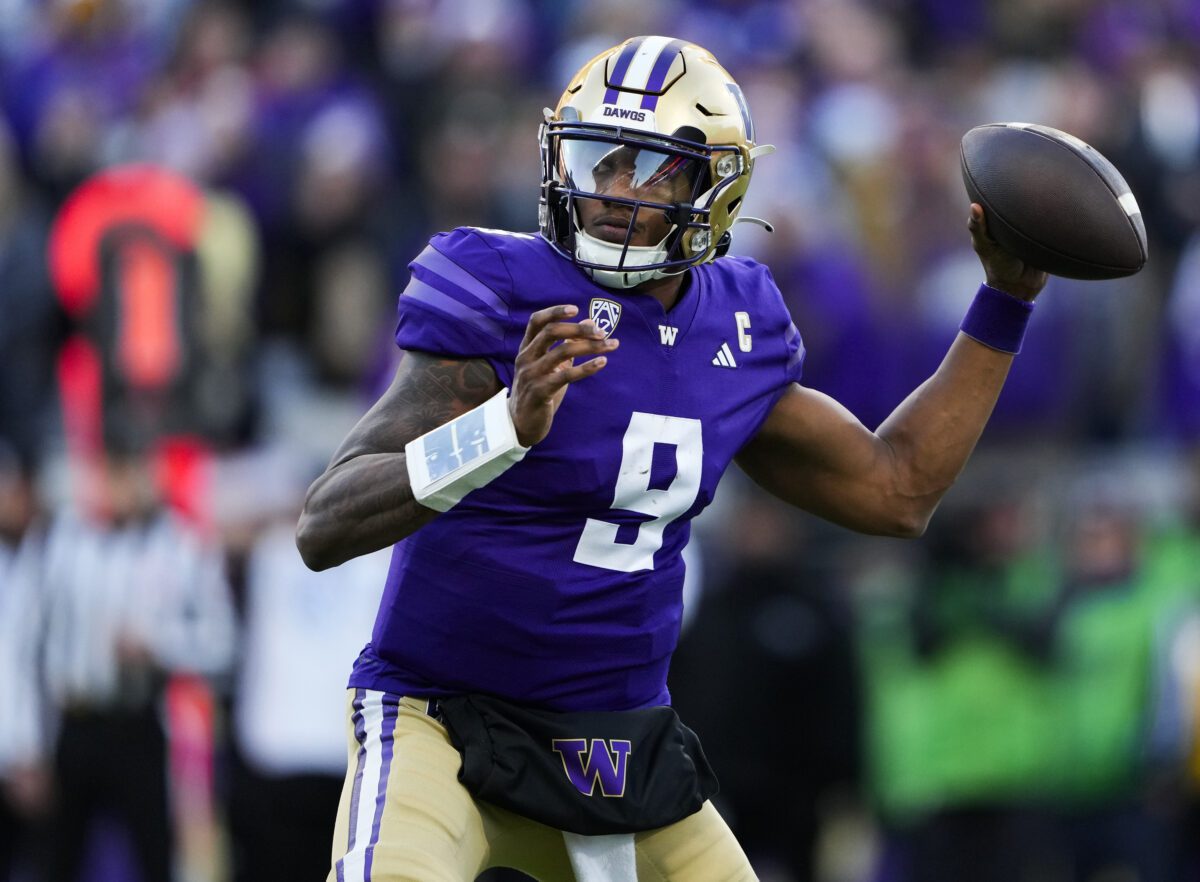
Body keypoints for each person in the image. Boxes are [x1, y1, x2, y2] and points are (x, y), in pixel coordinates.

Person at [296, 35, 1048, 882]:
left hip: (618, 744)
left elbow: (896, 489)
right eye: (599, 160)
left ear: (714, 187)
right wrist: (504, 424)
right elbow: (326, 523)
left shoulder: (740, 323)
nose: (616, 191)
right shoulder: (496, 287)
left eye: (651, 169)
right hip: (441, 718)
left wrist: (1005, 304)